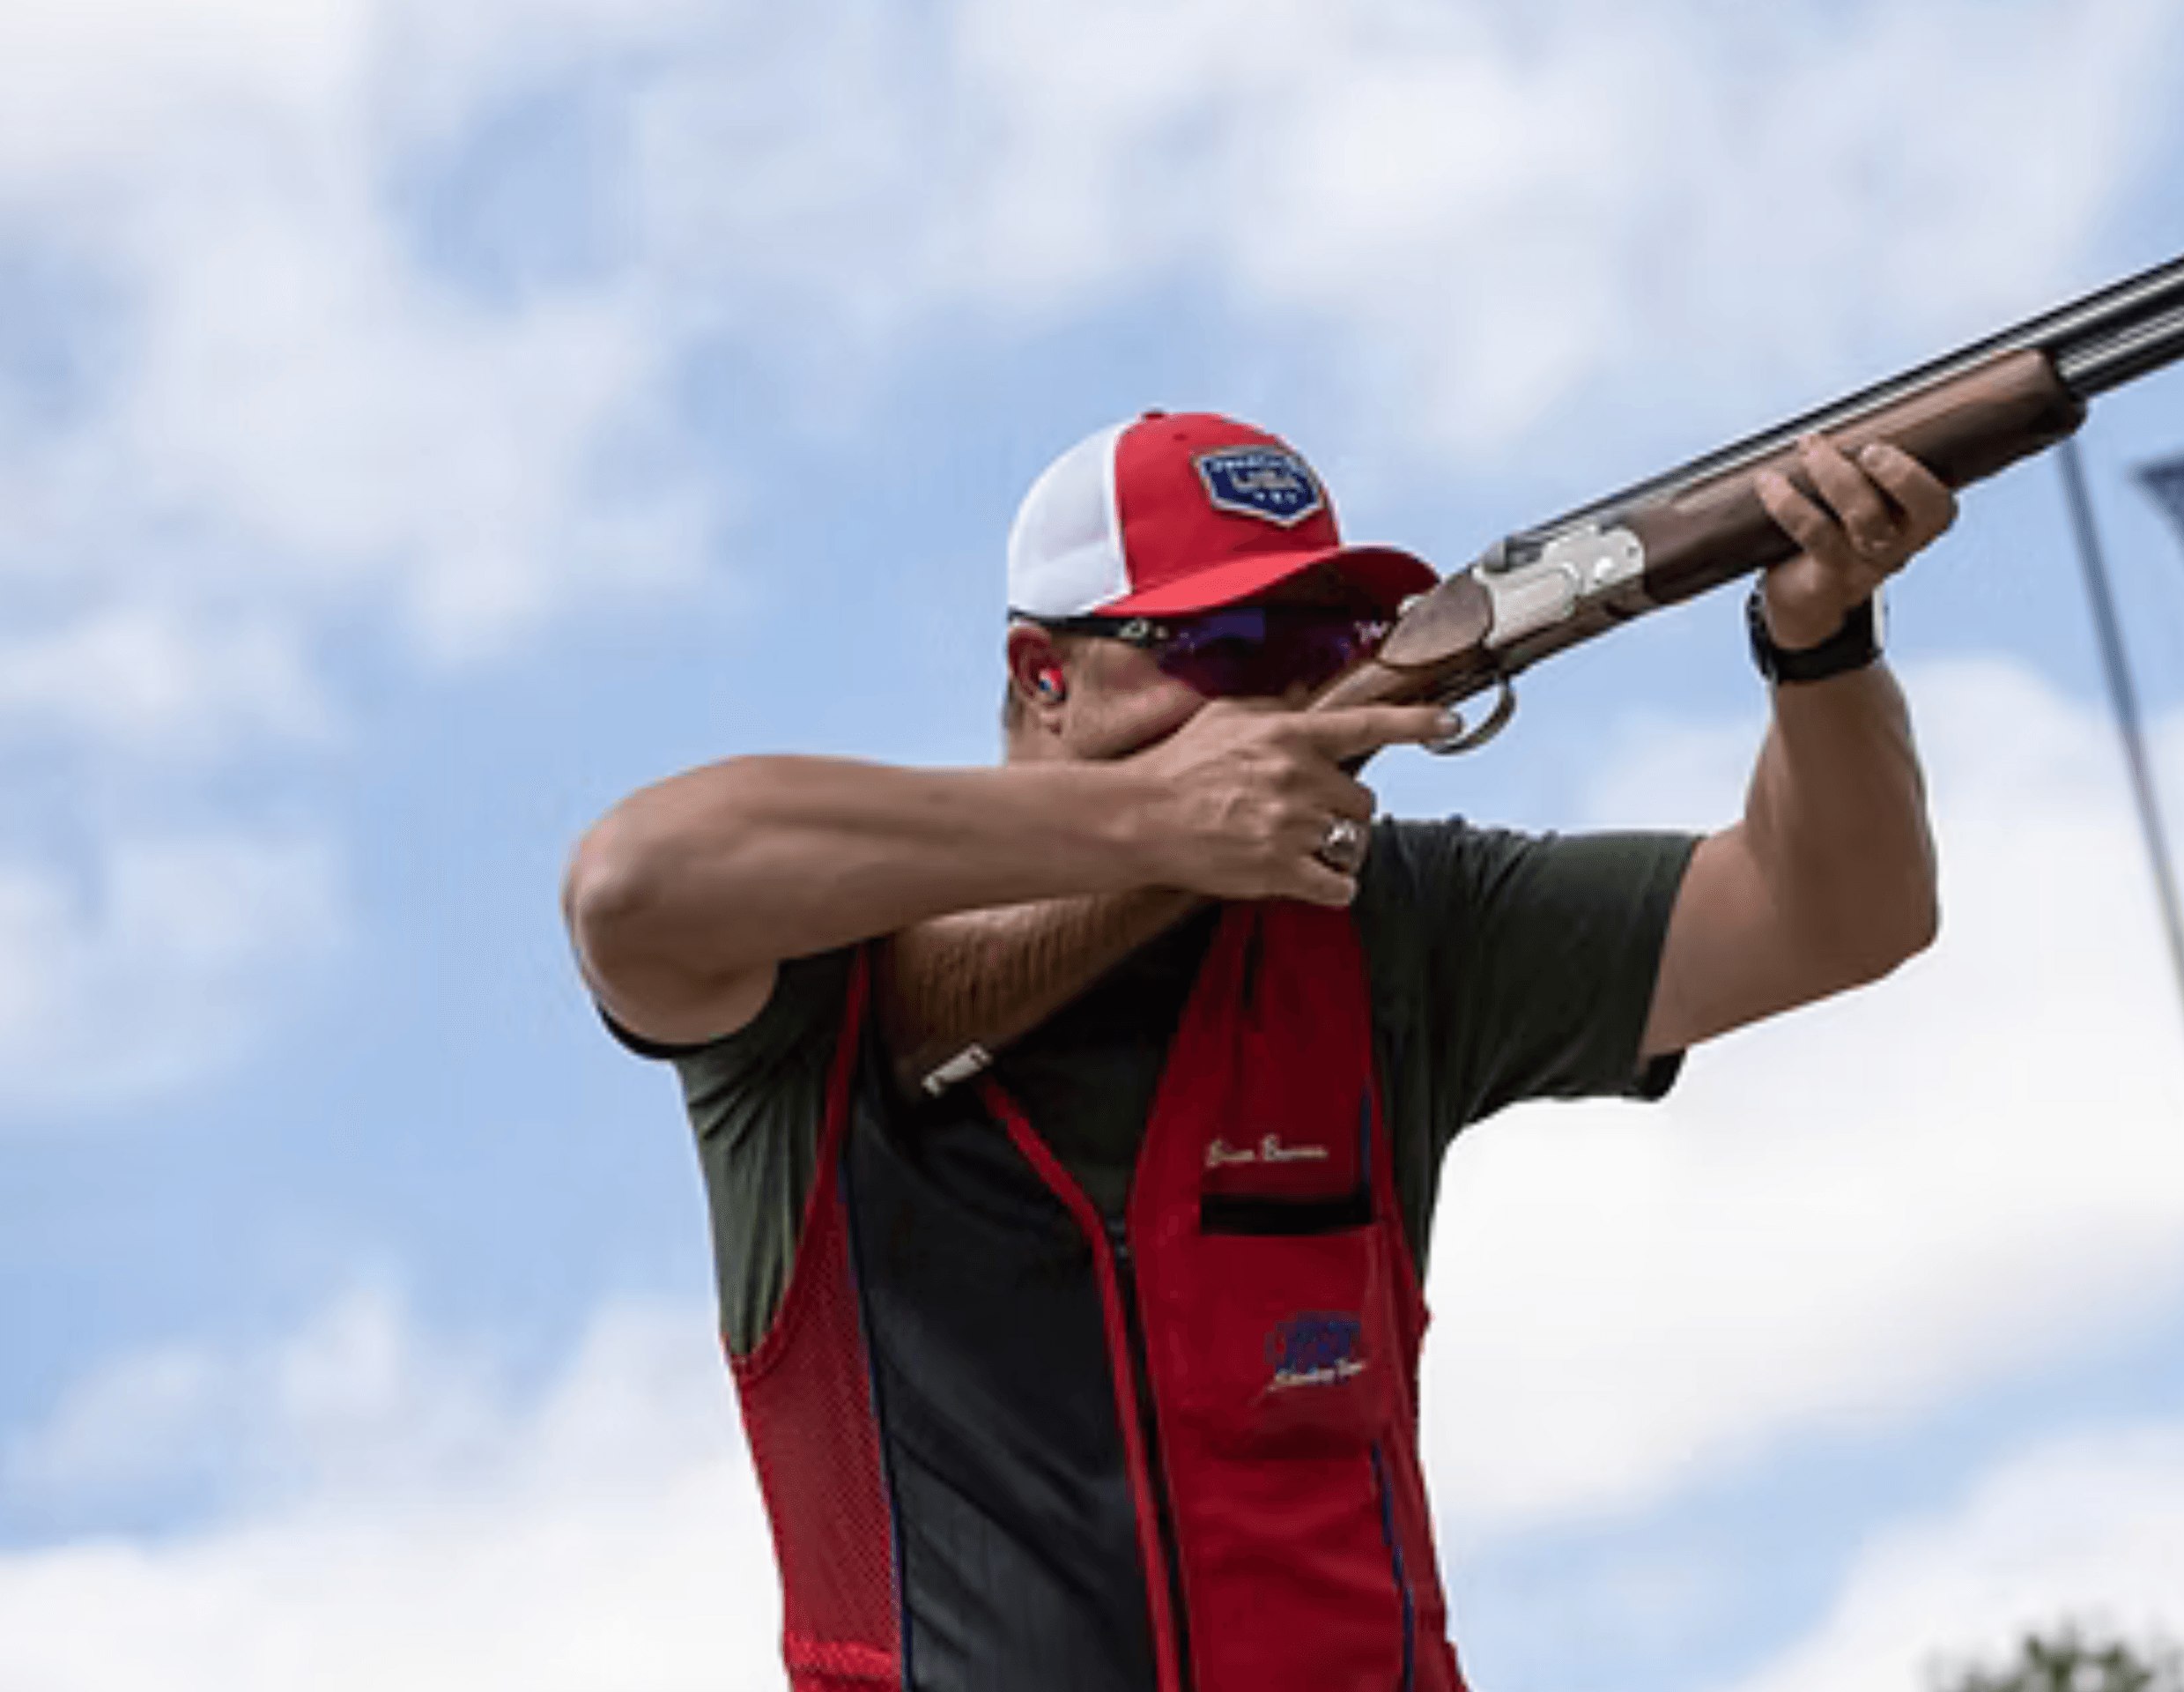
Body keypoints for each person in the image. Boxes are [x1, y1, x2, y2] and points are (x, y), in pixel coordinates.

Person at [563, 408, 1953, 1691]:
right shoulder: (837, 956)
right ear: (1044, 677)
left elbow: (1838, 915)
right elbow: (630, 881)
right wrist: (1154, 828)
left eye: (1324, 643)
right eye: (1230, 652)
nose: (1294, 698)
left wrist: (1822, 644)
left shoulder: (1391, 918)